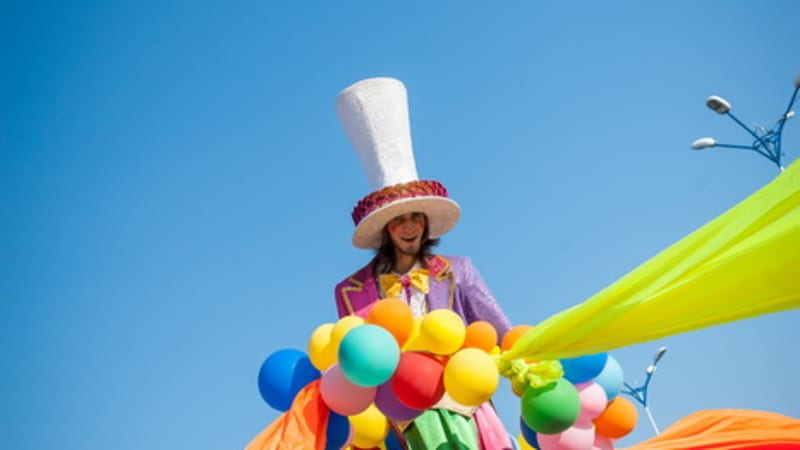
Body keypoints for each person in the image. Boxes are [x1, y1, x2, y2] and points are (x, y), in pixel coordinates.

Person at [334, 77, 514, 449]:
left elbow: (501, 333)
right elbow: (355, 364)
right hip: (392, 421)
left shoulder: (458, 270)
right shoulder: (351, 291)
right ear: (384, 229)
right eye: (398, 220)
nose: (409, 227)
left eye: (416, 217)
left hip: (457, 407)